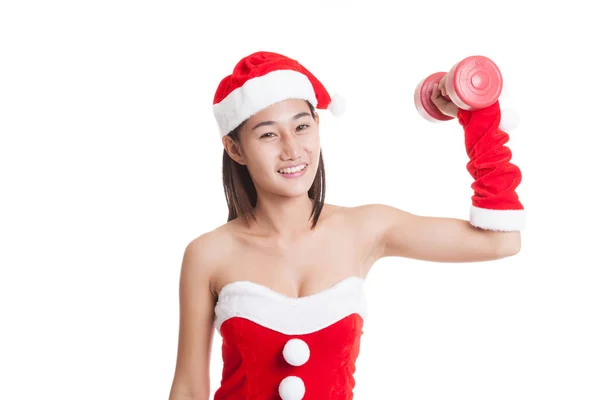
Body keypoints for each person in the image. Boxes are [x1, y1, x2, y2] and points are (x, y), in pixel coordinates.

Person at [168, 51, 525, 400]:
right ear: (235, 149)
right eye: (268, 135)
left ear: (317, 127)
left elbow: (501, 242)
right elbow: (188, 390)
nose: (292, 149)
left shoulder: (367, 229)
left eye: (302, 127)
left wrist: (477, 116)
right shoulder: (208, 254)